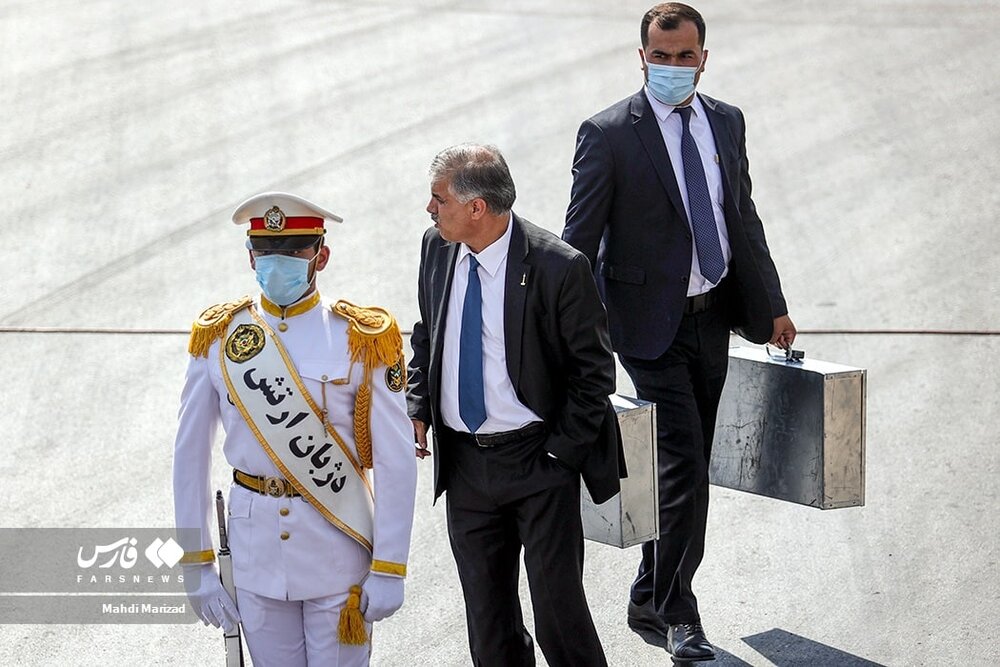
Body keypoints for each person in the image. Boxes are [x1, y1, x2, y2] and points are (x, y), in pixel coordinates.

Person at [562, 3, 797, 662]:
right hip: (645, 329)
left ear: (702, 57)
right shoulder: (608, 134)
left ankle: (647, 590)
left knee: (683, 472)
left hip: (714, 316)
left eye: (683, 56)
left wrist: (771, 304)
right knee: (688, 467)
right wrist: (566, 334)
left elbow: (739, 217)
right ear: (641, 58)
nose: (670, 67)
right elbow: (577, 243)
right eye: (658, 57)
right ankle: (676, 611)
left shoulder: (726, 121)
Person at [173, 192, 417, 666]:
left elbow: (395, 457)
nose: (276, 264)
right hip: (256, 553)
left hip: (337, 548)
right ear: (249, 257)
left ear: (320, 256)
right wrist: (197, 564)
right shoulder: (220, 338)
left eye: (292, 253)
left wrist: (390, 565)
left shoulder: (359, 339)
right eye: (265, 254)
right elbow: (189, 458)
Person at [407, 144, 623, 667]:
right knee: (489, 625)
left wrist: (559, 458)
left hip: (537, 464)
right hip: (466, 468)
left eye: (438, 199)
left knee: (559, 618)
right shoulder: (437, 249)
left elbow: (593, 373)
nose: (430, 210)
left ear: (477, 207)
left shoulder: (557, 267)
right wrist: (419, 404)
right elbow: (426, 335)